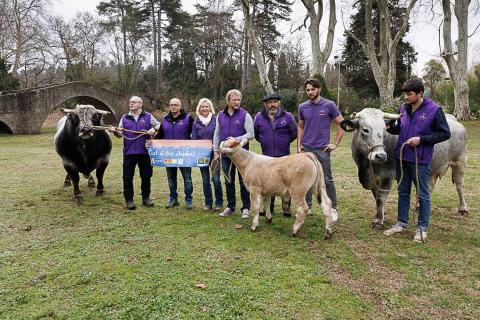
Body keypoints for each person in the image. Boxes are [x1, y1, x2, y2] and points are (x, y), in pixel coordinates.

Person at [383, 78, 451, 242]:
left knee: (423, 194)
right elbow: (401, 128)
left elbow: (445, 133)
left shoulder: (434, 110)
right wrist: (389, 126)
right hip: (401, 157)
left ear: (420, 93)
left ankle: (422, 229)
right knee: (403, 191)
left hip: (420, 160)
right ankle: (401, 223)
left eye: (409, 94)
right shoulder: (404, 108)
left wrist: (421, 140)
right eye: (405, 94)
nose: (406, 97)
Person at [297, 78, 344, 222]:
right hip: (306, 149)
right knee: (305, 180)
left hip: (323, 150)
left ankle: (333, 208)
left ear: (319, 89)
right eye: (307, 90)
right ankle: (308, 207)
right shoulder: (302, 107)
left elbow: (342, 124)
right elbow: (300, 127)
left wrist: (335, 144)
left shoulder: (329, 105)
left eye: (313, 89)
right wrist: (299, 146)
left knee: (327, 180)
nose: (310, 92)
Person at [108, 96, 160, 210]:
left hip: (145, 152)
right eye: (130, 102)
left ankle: (146, 198)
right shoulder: (124, 118)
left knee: (146, 176)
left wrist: (153, 130)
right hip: (129, 152)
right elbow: (120, 134)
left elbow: (159, 126)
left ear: (140, 104)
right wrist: (115, 131)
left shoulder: (148, 116)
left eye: (134, 102)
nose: (131, 104)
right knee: (127, 177)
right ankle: (129, 200)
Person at [253, 92, 297, 217]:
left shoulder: (287, 116)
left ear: (279, 103)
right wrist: (266, 141)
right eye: (270, 102)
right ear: (265, 104)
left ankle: (286, 206)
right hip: (267, 156)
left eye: (275, 102)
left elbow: (294, 133)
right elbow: (257, 134)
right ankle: (268, 207)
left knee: (286, 180)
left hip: (284, 155)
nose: (273, 105)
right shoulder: (259, 117)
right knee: (268, 181)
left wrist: (283, 142)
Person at [213, 89, 254, 218]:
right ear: (228, 101)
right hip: (225, 155)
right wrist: (215, 151)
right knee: (228, 181)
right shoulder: (220, 115)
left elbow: (251, 133)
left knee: (244, 181)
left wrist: (237, 139)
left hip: (242, 156)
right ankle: (230, 207)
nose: (237, 102)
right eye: (234, 100)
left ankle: (246, 208)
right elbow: (217, 134)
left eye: (239, 100)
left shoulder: (245, 115)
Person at [156, 98, 195, 210]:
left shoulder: (188, 118)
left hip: (184, 155)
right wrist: (151, 142)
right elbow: (160, 135)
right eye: (171, 105)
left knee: (187, 178)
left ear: (180, 106)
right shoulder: (164, 119)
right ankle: (173, 199)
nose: (173, 107)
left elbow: (196, 133)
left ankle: (188, 200)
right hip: (169, 155)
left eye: (176, 105)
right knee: (171, 179)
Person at [192, 98, 224, 211]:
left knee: (216, 179)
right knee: (205, 179)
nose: (205, 108)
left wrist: (218, 150)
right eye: (202, 107)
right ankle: (208, 203)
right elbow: (194, 140)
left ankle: (219, 203)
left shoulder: (216, 120)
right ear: (199, 109)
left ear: (210, 108)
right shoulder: (196, 122)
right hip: (202, 155)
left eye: (207, 106)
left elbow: (219, 136)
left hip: (215, 153)